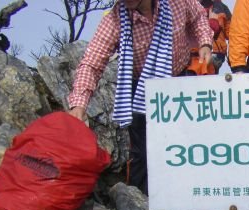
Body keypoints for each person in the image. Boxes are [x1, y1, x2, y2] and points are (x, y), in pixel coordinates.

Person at [67, 0, 213, 195]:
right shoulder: (115, 20)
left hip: (180, 82)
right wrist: (79, 104)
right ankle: (142, 206)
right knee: (144, 154)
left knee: (188, 147)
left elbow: (197, 16)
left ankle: (192, 209)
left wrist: (204, 42)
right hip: (142, 92)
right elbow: (91, 63)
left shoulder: (177, 2)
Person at [199, 0, 232, 74]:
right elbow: (231, 34)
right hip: (218, 52)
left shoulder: (195, 7)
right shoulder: (223, 7)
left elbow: (231, 34)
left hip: (207, 52)